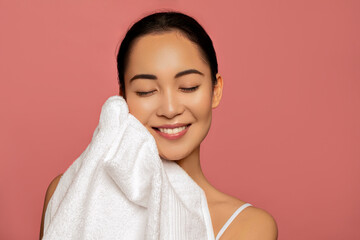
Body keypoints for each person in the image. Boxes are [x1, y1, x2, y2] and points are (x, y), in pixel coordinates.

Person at [40, 10, 278, 239]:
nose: (170, 109)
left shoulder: (248, 227)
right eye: (146, 91)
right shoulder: (69, 193)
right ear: (123, 98)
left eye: (188, 87)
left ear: (215, 91)